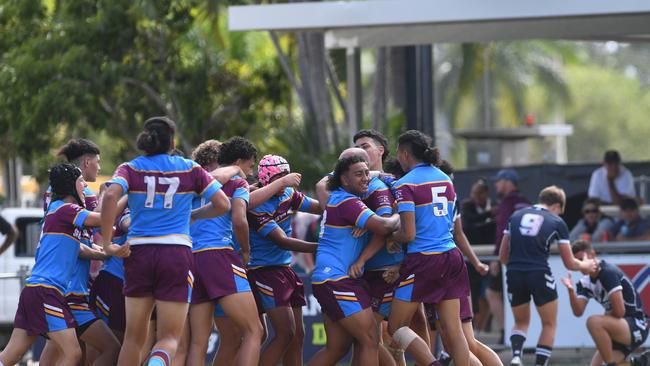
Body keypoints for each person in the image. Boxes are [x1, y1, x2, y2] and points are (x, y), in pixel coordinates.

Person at [100, 116, 231, 366]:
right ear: (173, 141)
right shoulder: (190, 169)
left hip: (137, 253)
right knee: (169, 339)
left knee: (133, 339)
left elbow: (109, 198)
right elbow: (222, 204)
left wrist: (108, 244)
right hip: (176, 253)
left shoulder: (131, 167)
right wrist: (194, 215)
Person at [0, 164, 103, 365]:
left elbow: (81, 249)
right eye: (81, 181)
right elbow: (100, 219)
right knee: (72, 353)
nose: (85, 186)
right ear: (71, 185)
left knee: (9, 357)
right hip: (46, 291)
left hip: (34, 290)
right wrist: (116, 197)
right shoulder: (67, 209)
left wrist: (105, 253)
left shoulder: (57, 211)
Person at [387, 130, 469, 366]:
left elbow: (408, 233)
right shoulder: (445, 178)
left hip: (424, 260)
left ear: (404, 154)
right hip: (452, 257)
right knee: (454, 330)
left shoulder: (405, 184)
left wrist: (390, 237)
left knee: (395, 327)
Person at [308, 155, 400, 366]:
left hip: (329, 279)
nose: (366, 178)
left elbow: (378, 229)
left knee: (337, 348)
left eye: (367, 172)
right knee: (370, 339)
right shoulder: (347, 202)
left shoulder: (345, 199)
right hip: (337, 280)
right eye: (359, 174)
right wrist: (399, 214)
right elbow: (384, 227)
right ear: (344, 180)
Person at [40, 139, 121, 366]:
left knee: (64, 350)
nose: (99, 167)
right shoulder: (79, 194)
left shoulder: (53, 193)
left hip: (61, 286)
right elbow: (104, 225)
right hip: (70, 287)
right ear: (86, 162)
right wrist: (111, 194)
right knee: (96, 350)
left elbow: (79, 239)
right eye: (98, 162)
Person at [499, 185, 597, 366]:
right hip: (539, 272)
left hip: (514, 272)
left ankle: (516, 356)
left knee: (520, 322)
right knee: (549, 324)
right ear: (557, 206)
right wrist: (586, 265)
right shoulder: (557, 221)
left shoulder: (515, 216)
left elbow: (502, 256)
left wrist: (517, 268)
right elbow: (570, 263)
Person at [186, 137, 263, 366]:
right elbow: (240, 220)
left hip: (190, 260)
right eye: (250, 166)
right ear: (238, 162)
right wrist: (246, 252)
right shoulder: (236, 183)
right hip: (218, 255)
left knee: (198, 343)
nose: (250, 173)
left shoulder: (196, 180)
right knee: (254, 331)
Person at [246, 154, 322, 366]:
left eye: (287, 176)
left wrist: (343, 202)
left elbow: (319, 207)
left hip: (285, 268)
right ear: (266, 177)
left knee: (298, 335)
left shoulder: (288, 194)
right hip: (263, 270)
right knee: (286, 333)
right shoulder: (254, 203)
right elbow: (282, 241)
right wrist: (321, 247)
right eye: (280, 177)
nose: (286, 181)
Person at [561, 240, 650, 366]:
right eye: (576, 261)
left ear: (592, 255)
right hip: (619, 327)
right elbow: (578, 312)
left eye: (581, 259)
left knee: (594, 322)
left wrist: (606, 318)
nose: (580, 265)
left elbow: (620, 312)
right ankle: (638, 363)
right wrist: (570, 291)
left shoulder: (607, 272)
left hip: (636, 325)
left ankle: (610, 364)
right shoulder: (584, 282)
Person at [489, 168, 530, 344]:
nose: (496, 185)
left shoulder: (507, 203)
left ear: (506, 181)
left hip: (509, 257)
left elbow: (503, 233)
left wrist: (497, 257)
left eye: (498, 181)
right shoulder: (525, 202)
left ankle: (505, 333)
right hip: (526, 257)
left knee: (492, 293)